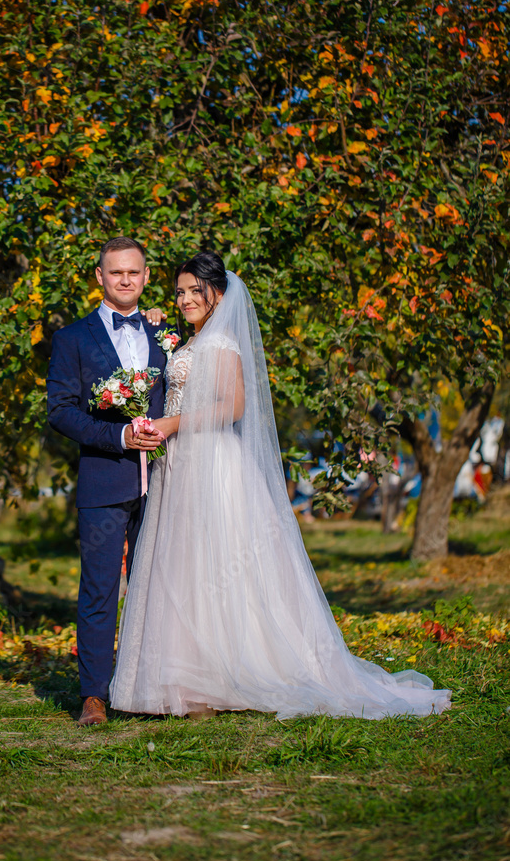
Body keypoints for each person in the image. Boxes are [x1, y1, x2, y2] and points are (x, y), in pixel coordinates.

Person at [110, 251, 451, 720]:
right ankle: (188, 680)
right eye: (180, 292)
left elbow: (232, 408)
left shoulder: (224, 342)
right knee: (182, 565)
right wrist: (153, 322)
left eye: (196, 291)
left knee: (218, 565)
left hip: (213, 462)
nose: (186, 299)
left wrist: (172, 424)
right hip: (179, 467)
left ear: (219, 296)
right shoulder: (185, 340)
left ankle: (222, 674)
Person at [47, 236, 167, 726]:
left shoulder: (166, 334)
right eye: (115, 272)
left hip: (164, 479)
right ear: (100, 277)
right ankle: (94, 694)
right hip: (103, 479)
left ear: (144, 276)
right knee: (99, 589)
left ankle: (150, 687)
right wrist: (117, 435)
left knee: (157, 585)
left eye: (133, 272)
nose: (125, 280)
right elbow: (60, 412)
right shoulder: (72, 339)